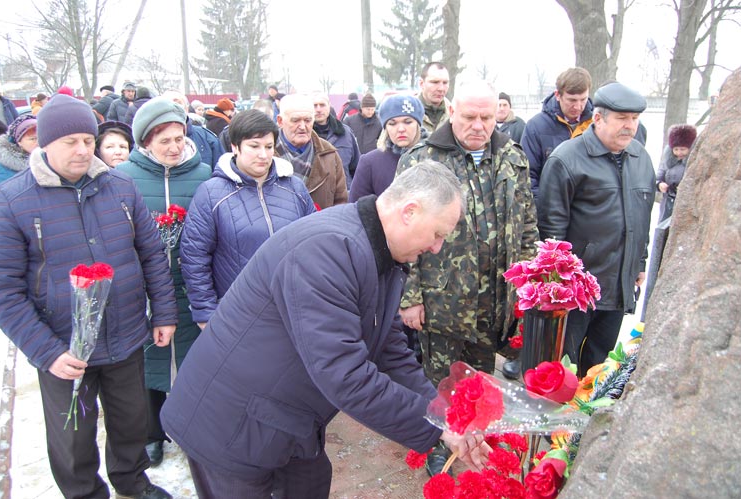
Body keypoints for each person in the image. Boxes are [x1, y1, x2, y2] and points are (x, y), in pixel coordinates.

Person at [161, 160, 489, 498]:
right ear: (409, 211)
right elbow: (344, 374)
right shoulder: (327, 250)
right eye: (437, 234)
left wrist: (444, 416)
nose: (436, 248)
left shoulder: (381, 255)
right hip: (230, 427)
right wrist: (435, 428)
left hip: (285, 418)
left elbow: (390, 352)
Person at [0, 94, 176, 499]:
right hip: (63, 346)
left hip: (125, 334)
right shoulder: (10, 201)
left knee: (131, 420)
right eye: (70, 141)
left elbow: (150, 254)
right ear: (45, 143)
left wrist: (163, 312)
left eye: (89, 141)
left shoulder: (120, 186)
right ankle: (84, 492)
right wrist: (46, 351)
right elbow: (2, 290)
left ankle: (132, 480)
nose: (82, 150)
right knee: (72, 435)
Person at [397, 81, 538, 475]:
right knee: (440, 380)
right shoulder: (423, 160)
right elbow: (402, 232)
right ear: (451, 111)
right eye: (470, 116)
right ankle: (435, 444)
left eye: (487, 117)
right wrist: (410, 297)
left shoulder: (512, 157)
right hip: (443, 298)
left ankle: (474, 438)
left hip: (495, 297)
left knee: (480, 380)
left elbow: (527, 224)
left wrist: (528, 283)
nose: (479, 126)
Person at [117, 97, 212, 469]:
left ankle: (191, 428)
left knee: (194, 360)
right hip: (146, 286)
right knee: (150, 359)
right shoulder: (124, 177)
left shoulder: (203, 174)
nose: (174, 148)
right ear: (146, 142)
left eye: (178, 139)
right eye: (164, 141)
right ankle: (152, 433)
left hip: (190, 283)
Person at [537, 82, 655, 378]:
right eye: (622, 118)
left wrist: (639, 263)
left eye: (634, 119)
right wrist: (557, 282)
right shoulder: (567, 159)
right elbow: (551, 227)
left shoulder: (641, 158)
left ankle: (589, 407)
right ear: (599, 118)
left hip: (618, 284)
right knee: (564, 366)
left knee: (599, 365)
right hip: (577, 289)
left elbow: (642, 217)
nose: (630, 126)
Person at [180, 109, 315, 329]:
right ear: (235, 147)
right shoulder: (212, 193)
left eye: (269, 147)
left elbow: (313, 244)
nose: (263, 155)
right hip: (238, 313)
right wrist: (205, 312)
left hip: (293, 308)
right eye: (254, 146)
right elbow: (195, 256)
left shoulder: (294, 188)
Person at [521, 67, 593, 201]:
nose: (578, 106)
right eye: (572, 100)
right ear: (558, 95)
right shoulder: (535, 127)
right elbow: (527, 177)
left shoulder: (596, 125)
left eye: (583, 99)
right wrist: (545, 207)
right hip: (550, 206)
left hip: (589, 208)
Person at [275, 94, 348, 209]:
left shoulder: (329, 154)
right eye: (295, 120)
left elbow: (341, 203)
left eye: (308, 120)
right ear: (280, 121)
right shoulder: (265, 155)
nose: (303, 127)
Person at [349, 94, 425, 201]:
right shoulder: (370, 162)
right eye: (392, 124)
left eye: (408, 122)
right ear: (385, 128)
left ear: (418, 124)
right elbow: (356, 206)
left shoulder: (436, 158)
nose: (401, 129)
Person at [162, 90, 224, 169]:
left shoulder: (208, 139)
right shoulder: (152, 140)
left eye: (177, 103)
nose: (172, 108)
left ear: (186, 109)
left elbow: (221, 171)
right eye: (167, 104)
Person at [312, 92, 361, 187]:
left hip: (344, 191)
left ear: (329, 106)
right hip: (314, 192)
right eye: (315, 106)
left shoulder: (345, 133)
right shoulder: (304, 135)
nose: (318, 109)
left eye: (322, 105)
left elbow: (356, 167)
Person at [657, 124, 697, 222]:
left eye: (683, 149)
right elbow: (659, 176)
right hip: (667, 203)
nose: (679, 153)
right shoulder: (667, 162)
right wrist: (659, 184)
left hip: (685, 202)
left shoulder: (693, 163)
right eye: (676, 149)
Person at [0, 114, 37, 187]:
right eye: (33, 139)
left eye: (40, 137)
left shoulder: (52, 159)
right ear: (19, 142)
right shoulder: (1, 169)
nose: (38, 142)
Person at [417, 62, 451, 132]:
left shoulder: (454, 115)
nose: (441, 88)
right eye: (435, 82)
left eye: (445, 83)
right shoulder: (407, 113)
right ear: (421, 83)